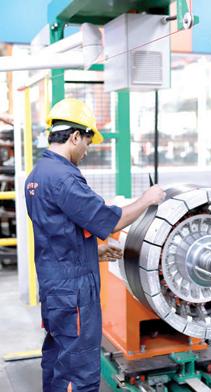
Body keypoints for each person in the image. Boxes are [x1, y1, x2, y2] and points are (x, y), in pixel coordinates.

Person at [24, 99, 166, 391]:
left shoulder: (37, 175)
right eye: (87, 142)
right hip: (73, 292)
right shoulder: (64, 178)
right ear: (75, 136)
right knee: (78, 371)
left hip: (55, 286)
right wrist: (147, 199)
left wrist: (94, 250)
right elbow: (107, 221)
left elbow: (58, 233)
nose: (87, 150)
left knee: (57, 358)